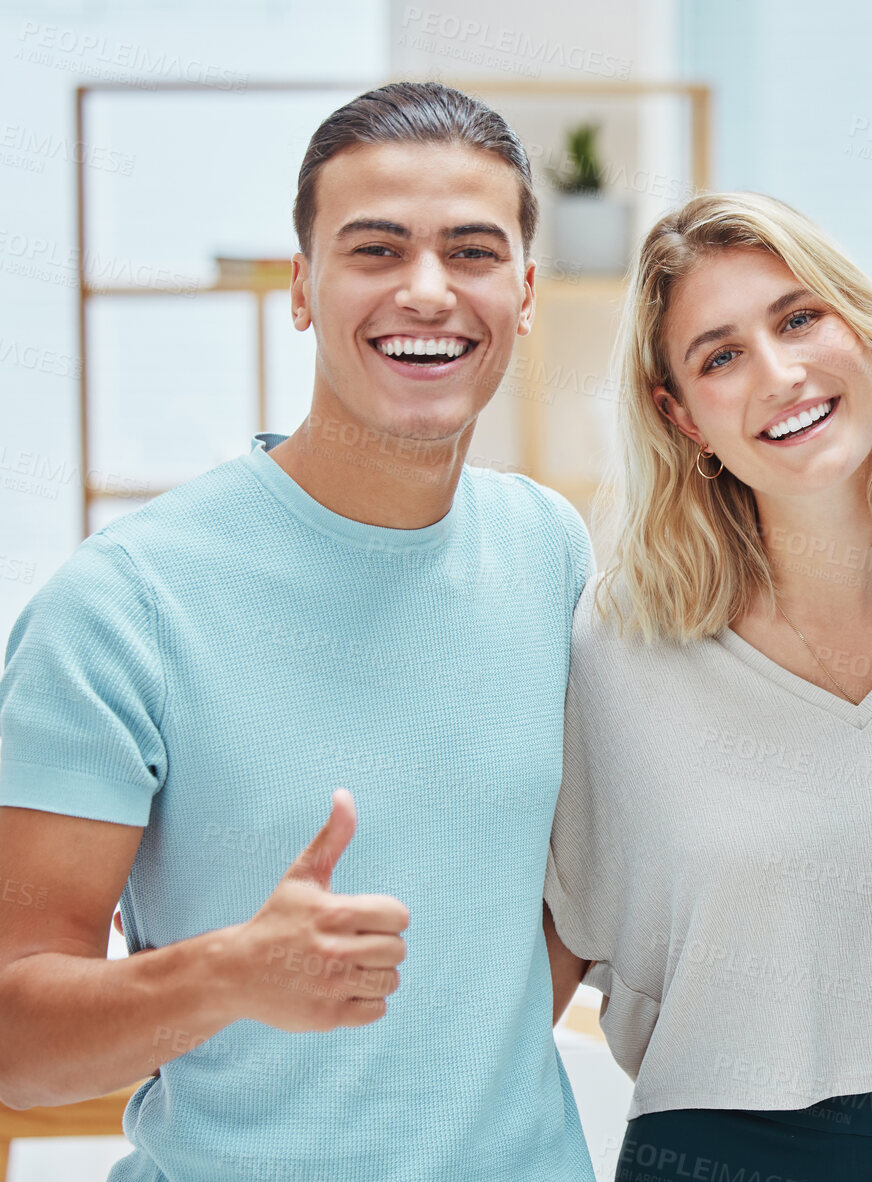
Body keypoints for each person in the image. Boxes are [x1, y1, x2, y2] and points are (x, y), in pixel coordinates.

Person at [0, 82, 595, 1181]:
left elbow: (565, 900)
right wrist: (226, 978)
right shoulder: (124, 604)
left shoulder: (549, 552)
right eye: (375, 250)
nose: (427, 292)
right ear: (303, 289)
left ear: (522, 288)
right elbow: (15, 1044)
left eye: (471, 251)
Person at [543, 191, 872, 1182]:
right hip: (716, 1150)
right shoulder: (616, 646)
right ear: (679, 415)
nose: (779, 374)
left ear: (861, 334)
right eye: (719, 355)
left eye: (798, 318)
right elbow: (549, 957)